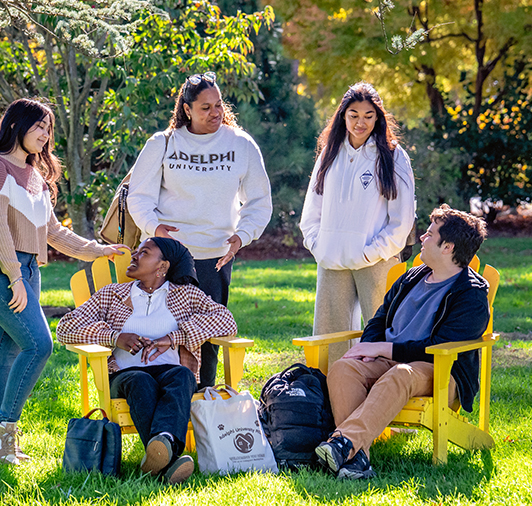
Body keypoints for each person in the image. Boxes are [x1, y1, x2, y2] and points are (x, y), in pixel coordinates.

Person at [0, 98, 124, 465]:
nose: (45, 135)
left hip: (27, 271)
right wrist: (15, 277)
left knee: (6, 353)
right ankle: (4, 427)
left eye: (49, 129)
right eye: (39, 126)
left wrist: (97, 250)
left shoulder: (34, 175)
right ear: (16, 126)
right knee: (40, 345)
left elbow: (53, 231)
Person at [314, 205, 489, 480]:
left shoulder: (471, 295)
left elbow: (438, 348)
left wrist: (383, 348)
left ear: (448, 247)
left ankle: (343, 443)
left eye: (430, 235)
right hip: (388, 361)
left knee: (401, 373)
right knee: (343, 368)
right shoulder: (410, 278)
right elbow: (378, 320)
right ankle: (355, 459)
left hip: (439, 372)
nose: (422, 238)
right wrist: (368, 348)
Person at [127, 71, 271, 387]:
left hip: (214, 259)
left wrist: (241, 237)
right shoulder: (162, 144)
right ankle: (164, 403)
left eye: (218, 105)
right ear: (187, 109)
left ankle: (202, 404)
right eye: (205, 107)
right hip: (169, 260)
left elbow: (260, 201)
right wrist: (156, 229)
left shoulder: (240, 144)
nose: (215, 113)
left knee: (206, 339)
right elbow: (138, 198)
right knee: (161, 333)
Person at [56, 237, 236, 484]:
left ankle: (162, 452)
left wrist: (174, 337)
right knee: (141, 380)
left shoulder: (186, 295)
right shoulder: (112, 294)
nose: (134, 256)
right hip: (125, 375)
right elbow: (66, 327)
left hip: (170, 371)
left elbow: (226, 321)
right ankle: (169, 455)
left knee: (183, 375)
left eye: (144, 253)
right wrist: (115, 337)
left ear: (162, 267)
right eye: (136, 251)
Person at [299, 82, 415, 363]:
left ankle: (380, 397)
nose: (360, 122)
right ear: (343, 115)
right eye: (353, 115)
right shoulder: (330, 153)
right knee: (328, 339)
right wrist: (319, 245)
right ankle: (327, 399)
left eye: (368, 115)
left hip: (377, 260)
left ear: (378, 117)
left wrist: (370, 252)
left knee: (383, 335)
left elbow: (403, 219)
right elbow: (312, 209)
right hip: (331, 259)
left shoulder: (393, 156)